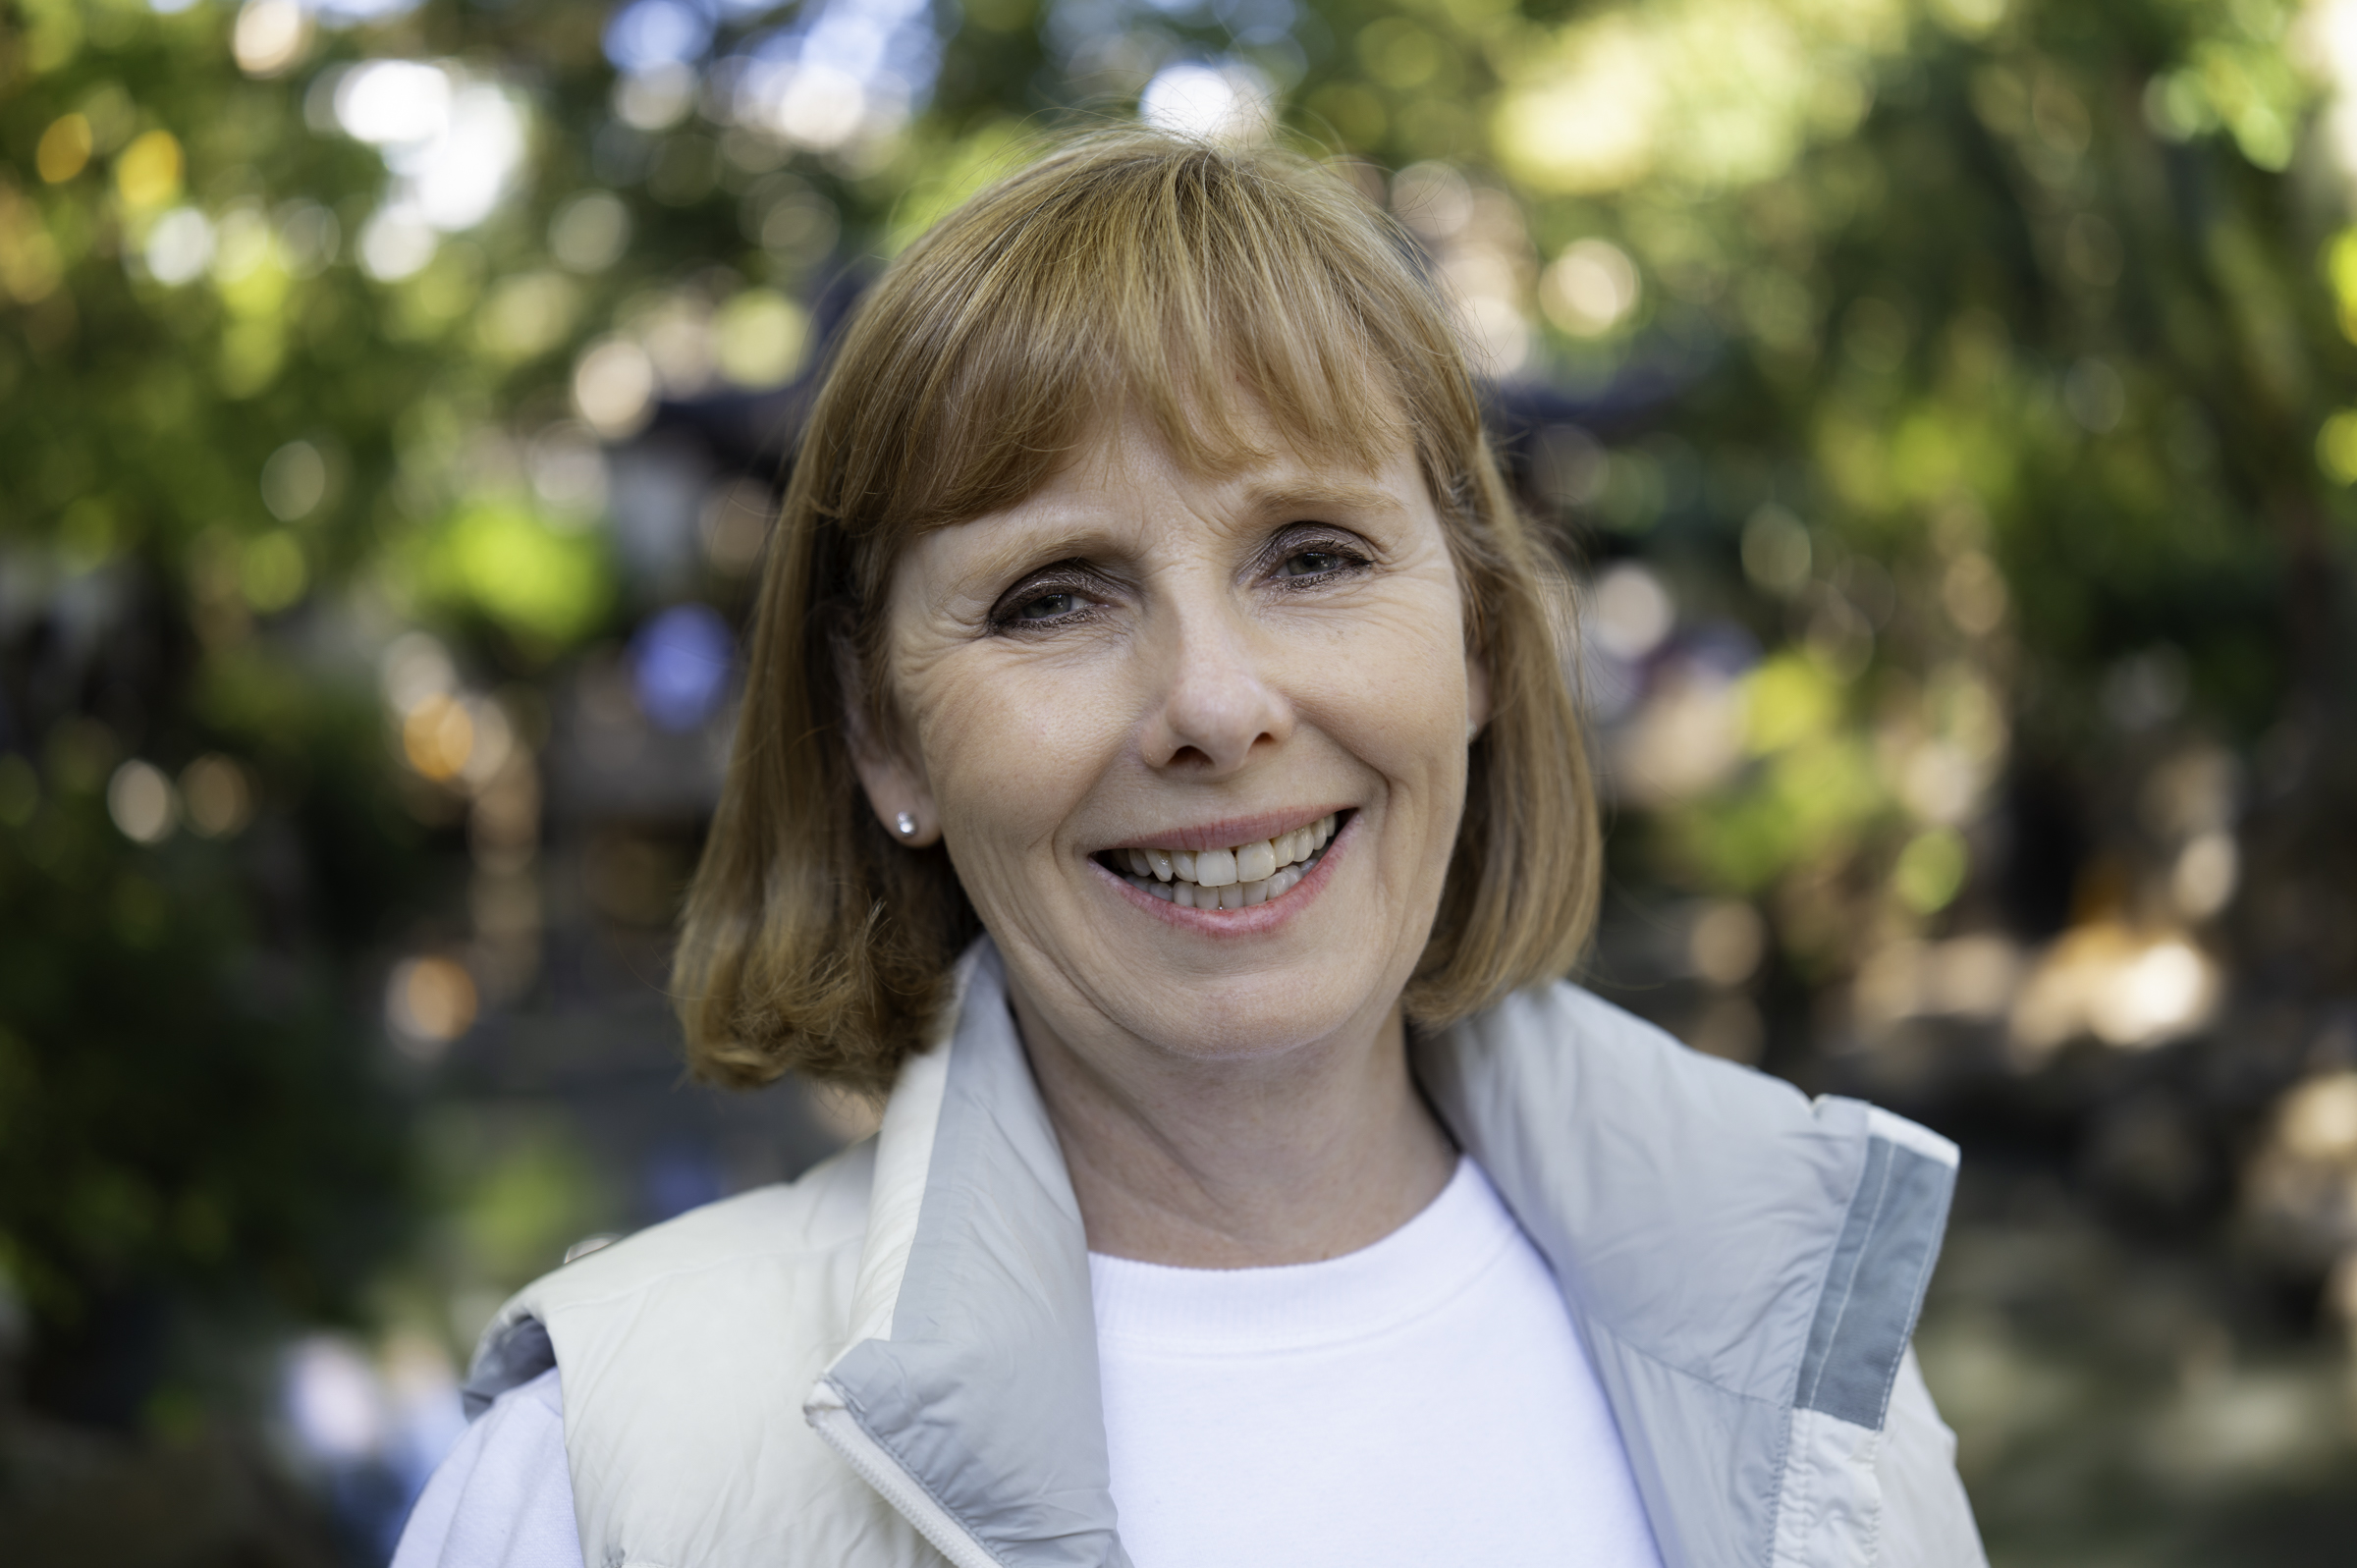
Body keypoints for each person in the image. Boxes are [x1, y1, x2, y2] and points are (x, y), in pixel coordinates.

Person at [395, 129, 1987, 1568]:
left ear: (1486, 640)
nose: (1215, 706)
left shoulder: (1799, 1325)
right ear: (884, 733)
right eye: (1054, 595)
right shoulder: (603, 1476)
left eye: (1313, 554)